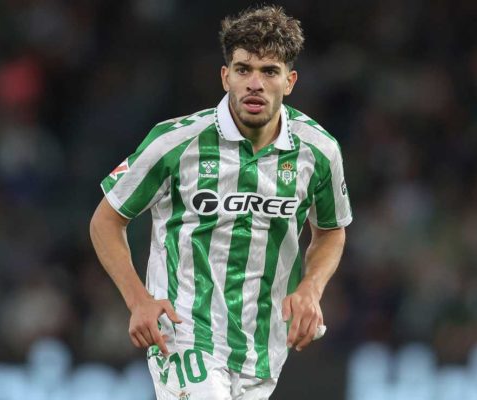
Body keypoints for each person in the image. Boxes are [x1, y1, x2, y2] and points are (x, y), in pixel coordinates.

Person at [89, 5, 352, 399]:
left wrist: (311, 289)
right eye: (244, 69)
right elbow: (106, 220)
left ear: (290, 81)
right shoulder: (175, 142)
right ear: (226, 76)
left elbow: (331, 231)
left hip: (263, 344)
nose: (255, 83)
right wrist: (138, 300)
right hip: (184, 332)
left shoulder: (319, 151)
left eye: (269, 71)